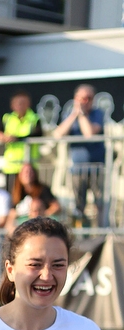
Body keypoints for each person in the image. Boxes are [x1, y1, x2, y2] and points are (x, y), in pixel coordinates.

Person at [53, 85, 105, 225]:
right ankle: (81, 232)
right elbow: (58, 134)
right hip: (77, 168)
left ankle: (100, 233)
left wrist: (81, 115)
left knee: (99, 202)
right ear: (75, 99)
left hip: (97, 167)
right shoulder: (70, 115)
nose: (85, 101)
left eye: (89, 98)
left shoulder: (97, 113)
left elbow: (89, 134)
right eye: (82, 98)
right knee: (78, 204)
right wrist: (74, 114)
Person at [0, 92, 42, 188]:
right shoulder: (7, 118)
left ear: (28, 104)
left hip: (29, 167)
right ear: (12, 105)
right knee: (12, 196)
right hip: (11, 166)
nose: (20, 106)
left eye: (22, 103)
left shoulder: (34, 118)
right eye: (17, 103)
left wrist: (17, 138)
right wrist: (1, 136)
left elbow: (38, 134)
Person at [5, 163, 60, 233]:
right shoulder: (17, 192)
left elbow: (56, 207)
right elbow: (12, 212)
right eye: (25, 172)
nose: (27, 174)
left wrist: (41, 214)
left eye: (30, 172)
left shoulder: (42, 189)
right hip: (23, 225)